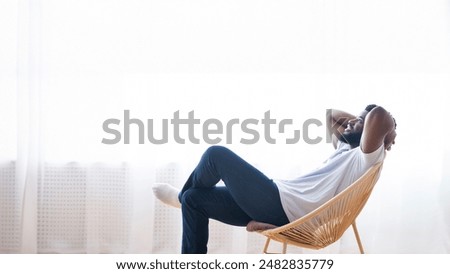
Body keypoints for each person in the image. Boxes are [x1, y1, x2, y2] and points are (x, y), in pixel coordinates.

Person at [152, 104, 397, 254]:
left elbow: (380, 116)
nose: (352, 121)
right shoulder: (346, 150)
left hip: (279, 205)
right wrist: (360, 122)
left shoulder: (366, 158)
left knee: (216, 155)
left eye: (360, 121)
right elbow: (331, 115)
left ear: (372, 134)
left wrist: (389, 131)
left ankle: (180, 197)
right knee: (195, 199)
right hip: (277, 205)